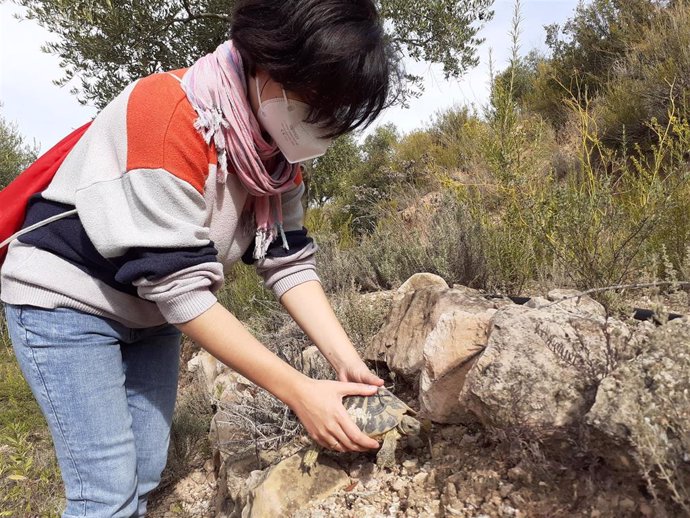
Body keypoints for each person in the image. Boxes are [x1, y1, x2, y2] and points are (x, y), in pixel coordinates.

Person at [0, 0, 395, 515]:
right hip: (67, 302)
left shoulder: (273, 162)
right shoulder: (167, 115)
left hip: (150, 311)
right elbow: (180, 287)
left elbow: (288, 263)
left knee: (143, 473)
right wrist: (298, 392)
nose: (324, 121)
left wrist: (347, 363)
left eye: (337, 112)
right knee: (105, 492)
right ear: (269, 63)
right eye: (317, 100)